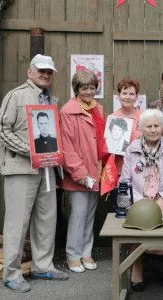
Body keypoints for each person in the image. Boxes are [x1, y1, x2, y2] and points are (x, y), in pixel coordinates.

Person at [0, 54, 68, 293]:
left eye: (49, 72)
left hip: (47, 169)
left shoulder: (52, 100)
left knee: (47, 219)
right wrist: (30, 150)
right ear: (30, 72)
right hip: (21, 169)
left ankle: (42, 265)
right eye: (41, 70)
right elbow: (0, 131)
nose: (46, 75)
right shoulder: (16, 96)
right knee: (17, 221)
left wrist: (53, 157)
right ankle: (11, 274)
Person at [119, 109, 163, 291]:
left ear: (162, 128)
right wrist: (141, 203)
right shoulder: (132, 149)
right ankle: (137, 265)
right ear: (141, 128)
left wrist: (162, 201)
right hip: (139, 201)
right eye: (149, 126)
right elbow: (124, 181)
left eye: (157, 126)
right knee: (139, 223)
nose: (153, 129)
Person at [60, 70, 108, 273]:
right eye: (84, 88)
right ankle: (73, 255)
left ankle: (86, 252)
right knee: (78, 215)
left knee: (90, 215)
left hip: (96, 170)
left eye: (92, 87)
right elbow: (67, 148)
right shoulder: (68, 111)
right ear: (76, 89)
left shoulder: (98, 109)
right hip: (78, 174)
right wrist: (81, 175)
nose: (89, 91)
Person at [105, 79, 142, 210]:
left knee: (138, 211)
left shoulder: (144, 117)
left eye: (131, 94)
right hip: (119, 173)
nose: (127, 97)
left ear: (137, 97)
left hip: (139, 172)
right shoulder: (112, 118)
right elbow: (106, 149)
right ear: (118, 95)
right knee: (120, 210)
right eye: (124, 93)